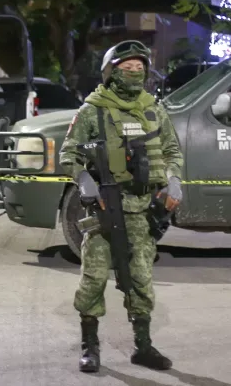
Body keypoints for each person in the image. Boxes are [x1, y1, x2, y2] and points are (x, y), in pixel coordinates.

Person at [59, 40, 184, 374]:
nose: (134, 73)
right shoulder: (93, 110)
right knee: (94, 278)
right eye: (126, 68)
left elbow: (172, 151)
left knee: (141, 280)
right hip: (105, 209)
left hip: (143, 211)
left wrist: (174, 179)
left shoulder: (153, 110)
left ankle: (142, 347)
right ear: (111, 72)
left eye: (139, 67)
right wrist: (83, 179)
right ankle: (90, 345)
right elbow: (70, 154)